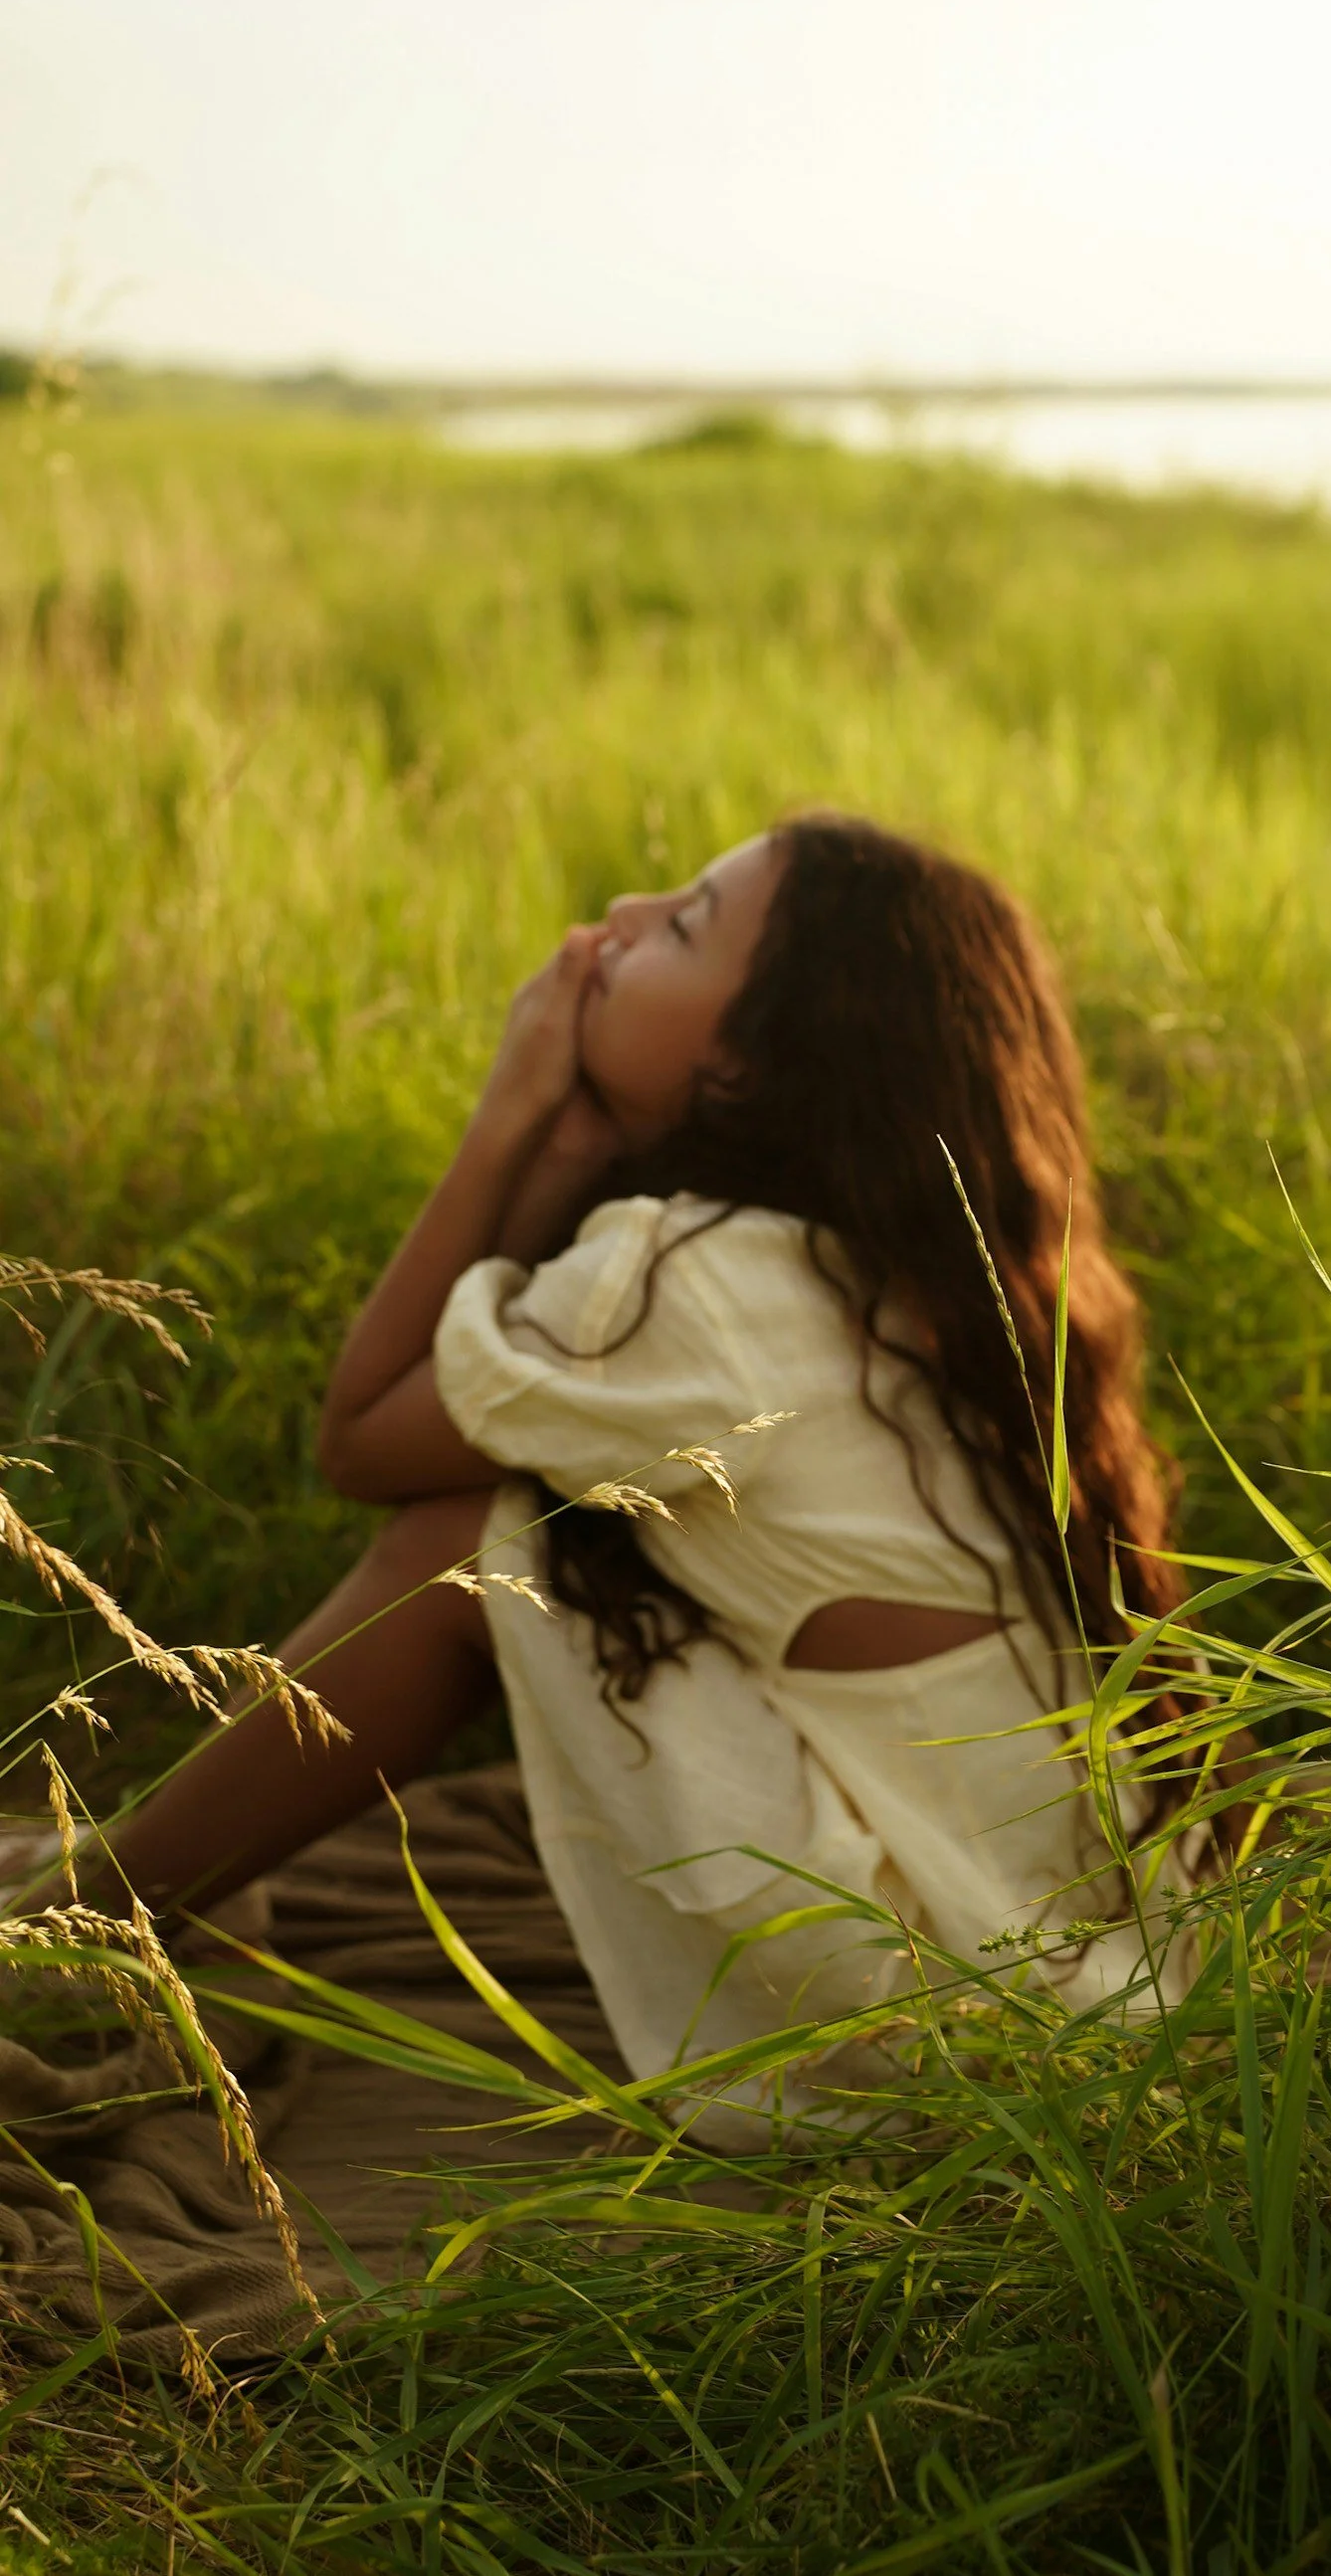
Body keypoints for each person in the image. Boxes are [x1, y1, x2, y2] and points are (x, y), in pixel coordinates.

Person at [33, 815, 1192, 2140]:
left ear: (743, 1067)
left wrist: (517, 1115)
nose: (614, 918)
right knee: (561, 1520)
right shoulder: (861, 1271)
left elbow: (363, 1435)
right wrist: (578, 1154)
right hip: (1054, 1963)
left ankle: (94, 1905)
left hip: (923, 2007)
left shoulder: (709, 1284)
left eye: (682, 925)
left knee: (478, 1536)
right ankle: (112, 1875)